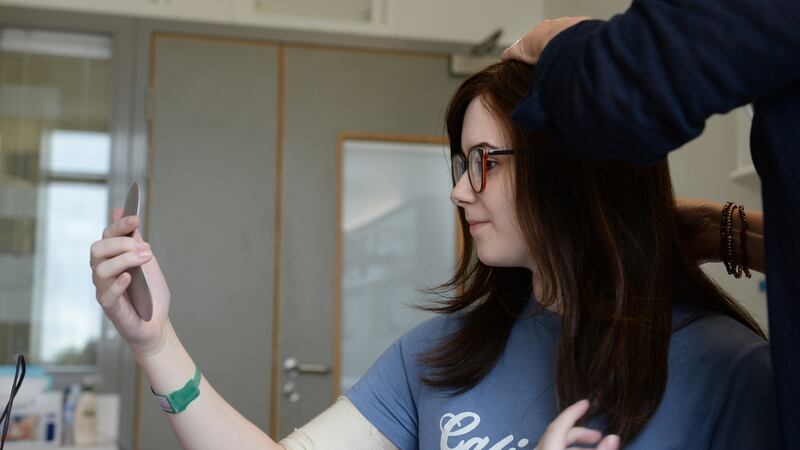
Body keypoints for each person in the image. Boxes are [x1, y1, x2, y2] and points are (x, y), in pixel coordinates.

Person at [90, 61, 776, 450]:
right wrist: (155, 344)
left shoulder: (727, 369)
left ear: (572, 171)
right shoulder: (441, 353)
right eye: (460, 162)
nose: (458, 190)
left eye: (486, 162)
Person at [501, 4, 800, 446]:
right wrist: (730, 232)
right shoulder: (432, 352)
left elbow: (620, 90)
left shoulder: (735, 364)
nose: (460, 191)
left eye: (487, 161)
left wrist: (557, 41)